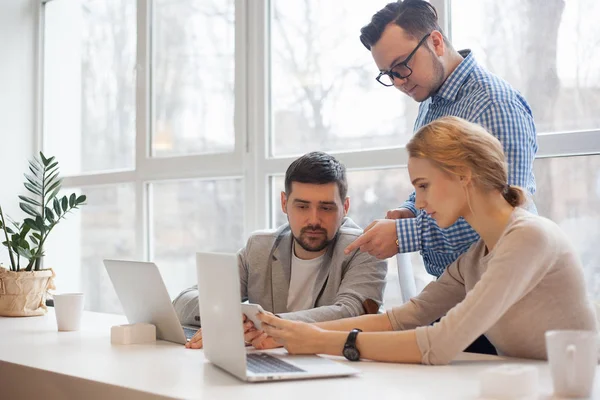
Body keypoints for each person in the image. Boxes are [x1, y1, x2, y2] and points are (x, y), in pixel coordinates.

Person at [255, 117, 597, 365]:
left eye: (423, 186)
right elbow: (401, 319)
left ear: (463, 175)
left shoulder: (529, 238)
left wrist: (322, 341)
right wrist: (288, 331)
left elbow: (441, 343)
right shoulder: (477, 257)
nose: (417, 203)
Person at [346, 0, 538, 277]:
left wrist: (405, 234)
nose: (398, 81)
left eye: (401, 66)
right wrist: (410, 210)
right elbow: (442, 185)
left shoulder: (493, 104)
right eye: (388, 74)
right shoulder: (430, 102)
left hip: (504, 283)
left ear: (436, 42)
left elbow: (505, 211)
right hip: (459, 286)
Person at [173, 151, 387, 350]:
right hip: (266, 363)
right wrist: (225, 317)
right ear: (284, 203)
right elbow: (183, 302)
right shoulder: (260, 247)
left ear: (345, 207)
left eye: (326, 208)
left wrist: (265, 325)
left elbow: (350, 313)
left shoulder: (365, 248)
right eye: (302, 206)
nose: (314, 220)